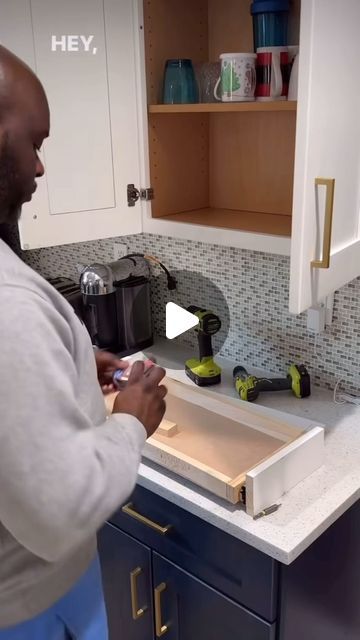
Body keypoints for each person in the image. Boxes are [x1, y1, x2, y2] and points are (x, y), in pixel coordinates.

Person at [0, 45, 167, 639]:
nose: (41, 168)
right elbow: (58, 513)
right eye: (34, 142)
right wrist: (131, 421)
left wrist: (69, 364)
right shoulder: (10, 304)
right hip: (33, 608)